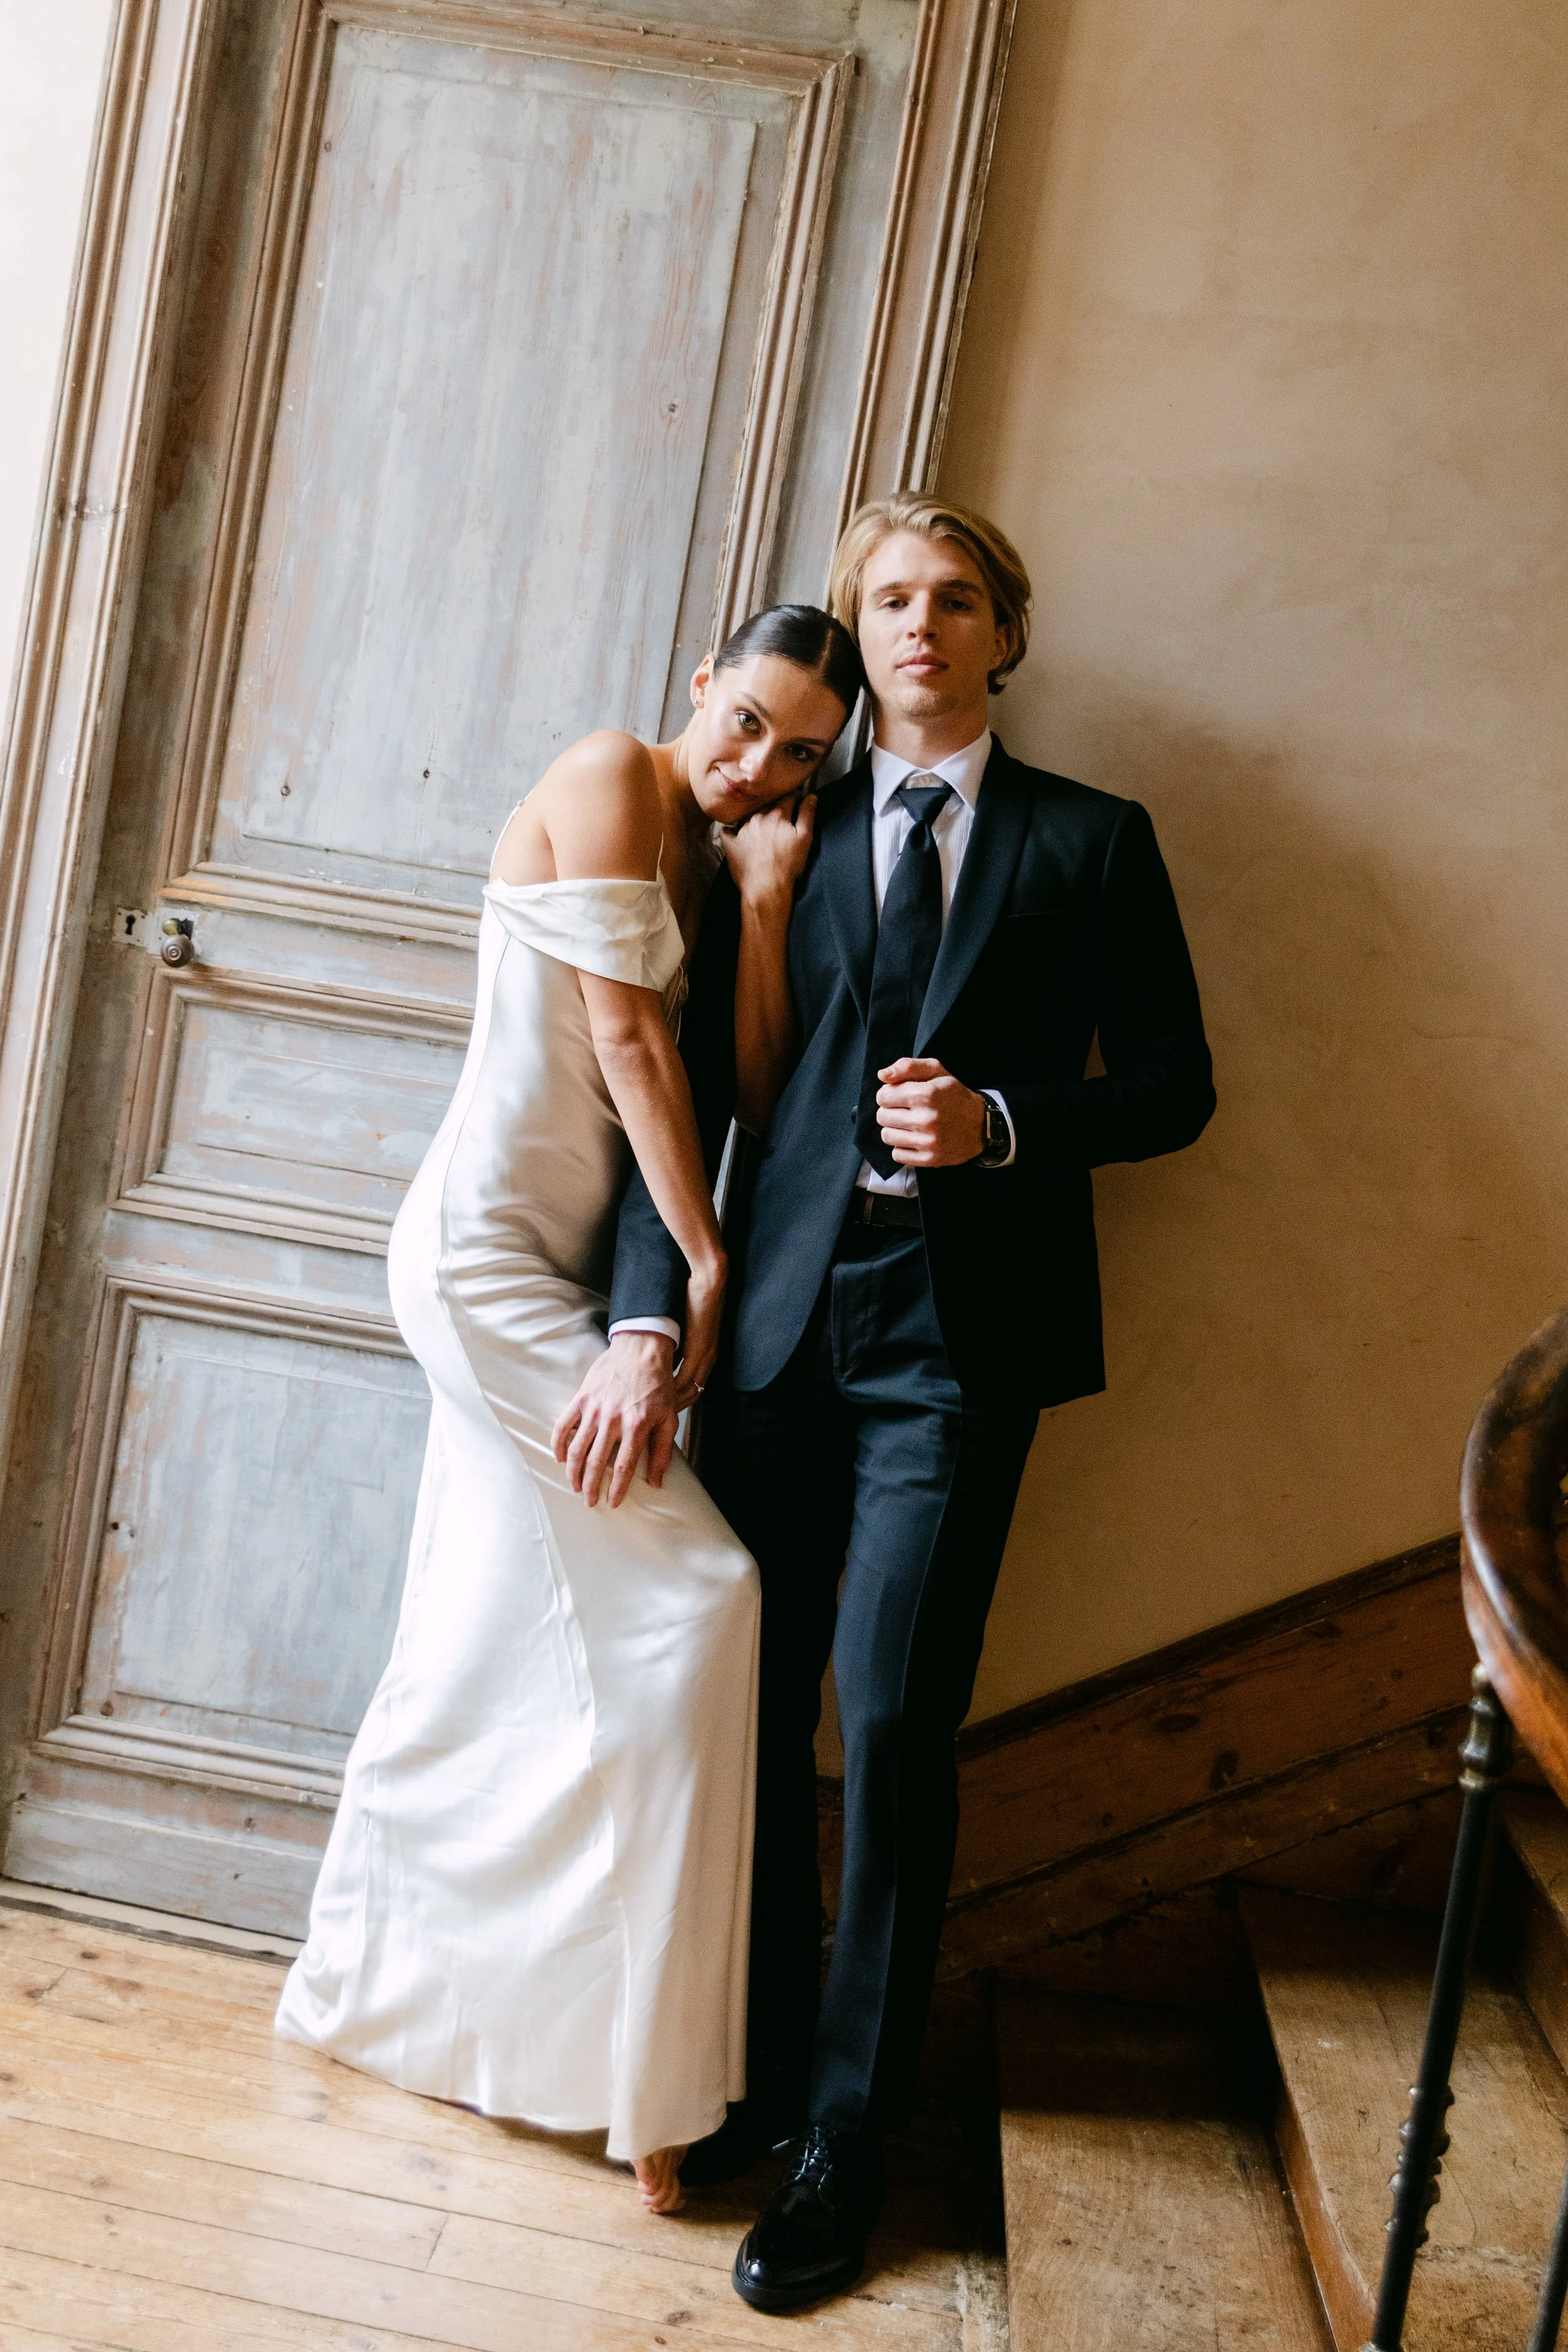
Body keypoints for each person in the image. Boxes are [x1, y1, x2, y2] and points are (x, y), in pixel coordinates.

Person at [576, 492, 1216, 2307]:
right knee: (748, 1710)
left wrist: (1001, 1123)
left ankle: (848, 2137)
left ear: (1005, 629)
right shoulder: (771, 824)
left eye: (952, 598)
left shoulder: (1093, 839)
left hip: (961, 1349)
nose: (919, 626)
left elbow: (1173, 1084)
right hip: (775, 1336)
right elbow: (681, 1103)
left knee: (894, 1721)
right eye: (887, 604)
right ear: (856, 641)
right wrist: (643, 1318)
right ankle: (751, 2073)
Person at [275, 605, 865, 2218]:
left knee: (486, 1638)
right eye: (744, 722)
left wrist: (765, 907)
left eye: (799, 754)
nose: (757, 766)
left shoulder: (724, 861)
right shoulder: (607, 771)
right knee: (708, 1592)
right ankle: (655, 2087)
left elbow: (745, 1084)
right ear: (701, 685)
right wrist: (700, 1265)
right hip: (483, 1258)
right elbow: (621, 1036)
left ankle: (389, 1996)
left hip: (569, 1263)